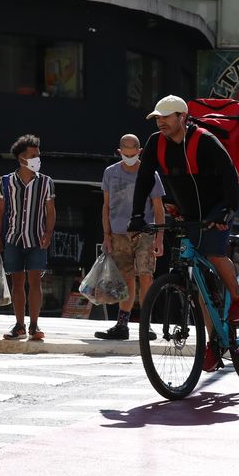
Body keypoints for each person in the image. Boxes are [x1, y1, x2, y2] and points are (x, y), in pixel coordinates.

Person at [128, 95, 239, 373]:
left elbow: (230, 174)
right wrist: (136, 216)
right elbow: (144, 180)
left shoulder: (204, 140)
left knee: (213, 252)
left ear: (182, 117)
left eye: (166, 117)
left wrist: (228, 210)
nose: (160, 122)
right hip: (189, 213)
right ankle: (214, 345)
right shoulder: (155, 144)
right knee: (199, 287)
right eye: (157, 117)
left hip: (218, 208)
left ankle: (238, 299)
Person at [95, 134, 166, 340]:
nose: (129, 157)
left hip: (144, 232)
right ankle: (122, 324)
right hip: (118, 233)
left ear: (139, 151)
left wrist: (159, 237)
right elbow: (106, 206)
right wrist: (106, 235)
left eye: (132, 153)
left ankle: (146, 325)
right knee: (125, 278)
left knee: (146, 276)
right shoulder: (110, 172)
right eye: (125, 154)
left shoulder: (149, 173)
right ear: (119, 152)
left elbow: (158, 207)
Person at [0, 134, 56, 342]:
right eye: (33, 156)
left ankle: (35, 325)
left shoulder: (46, 182)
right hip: (13, 239)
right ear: (22, 159)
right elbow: (0, 211)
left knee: (35, 282)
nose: (38, 159)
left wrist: (48, 233)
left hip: (37, 239)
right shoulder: (6, 182)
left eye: (38, 155)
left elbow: (51, 210)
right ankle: (19, 325)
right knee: (17, 282)